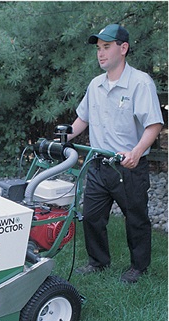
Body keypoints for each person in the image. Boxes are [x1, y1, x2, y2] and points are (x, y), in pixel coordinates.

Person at [68, 24, 163, 284]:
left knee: (136, 219)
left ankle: (138, 267)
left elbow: (153, 124)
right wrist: (61, 138)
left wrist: (137, 152)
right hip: (99, 165)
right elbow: (81, 119)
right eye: (99, 48)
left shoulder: (140, 83)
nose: (101, 53)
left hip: (128, 167)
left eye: (106, 47)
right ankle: (98, 262)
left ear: (123, 48)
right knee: (92, 217)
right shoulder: (95, 85)